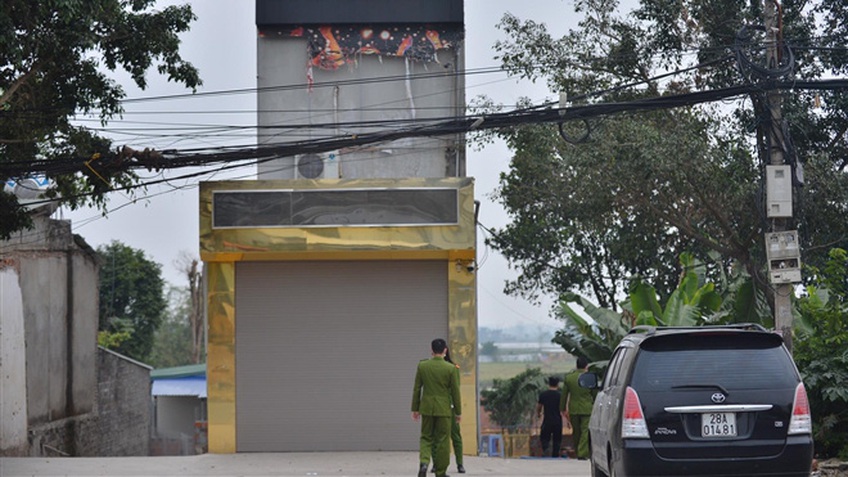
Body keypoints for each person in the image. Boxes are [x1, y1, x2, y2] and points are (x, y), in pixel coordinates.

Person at [412, 339, 462, 477]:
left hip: (427, 407)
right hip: (444, 409)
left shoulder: (422, 366)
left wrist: (415, 409)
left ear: (431, 350)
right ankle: (440, 472)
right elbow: (455, 392)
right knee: (443, 440)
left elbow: (417, 389)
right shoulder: (451, 368)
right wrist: (458, 412)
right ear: (445, 350)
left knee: (426, 437)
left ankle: (424, 463)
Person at [429, 349, 465, 474]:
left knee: (455, 436)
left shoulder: (453, 368)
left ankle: (460, 464)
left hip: (450, 407)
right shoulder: (431, 367)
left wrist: (457, 409)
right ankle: (436, 463)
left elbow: (455, 390)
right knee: (436, 437)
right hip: (439, 407)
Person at [560, 357, 594, 460]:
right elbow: (594, 393)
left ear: (576, 365)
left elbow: (564, 395)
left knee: (576, 431)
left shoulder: (569, 378)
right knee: (585, 431)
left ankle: (578, 451)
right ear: (586, 366)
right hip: (587, 409)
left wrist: (562, 409)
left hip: (573, 409)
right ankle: (582, 453)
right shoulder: (589, 377)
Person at [536, 376, 563, 457]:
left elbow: (539, 407)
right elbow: (564, 409)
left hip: (547, 420)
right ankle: (555, 454)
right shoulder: (560, 395)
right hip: (557, 420)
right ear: (557, 384)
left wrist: (539, 414)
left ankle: (546, 449)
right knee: (557, 439)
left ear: (549, 384)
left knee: (544, 437)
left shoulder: (543, 395)